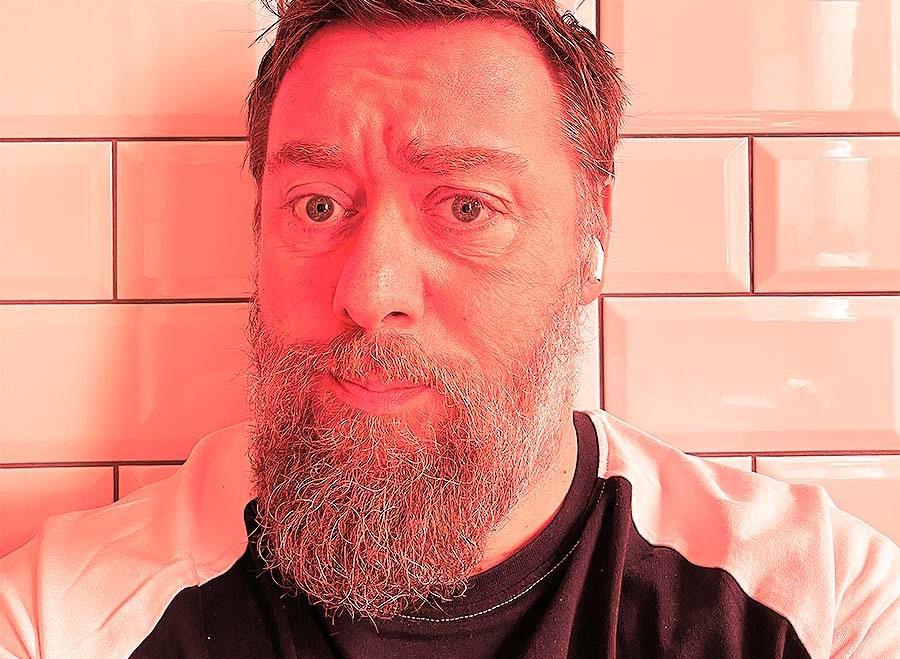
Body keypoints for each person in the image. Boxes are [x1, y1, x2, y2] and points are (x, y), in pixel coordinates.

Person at [2, 0, 899, 657]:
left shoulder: (818, 608)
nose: (370, 291)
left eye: (467, 206)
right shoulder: (63, 620)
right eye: (317, 204)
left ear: (592, 237)